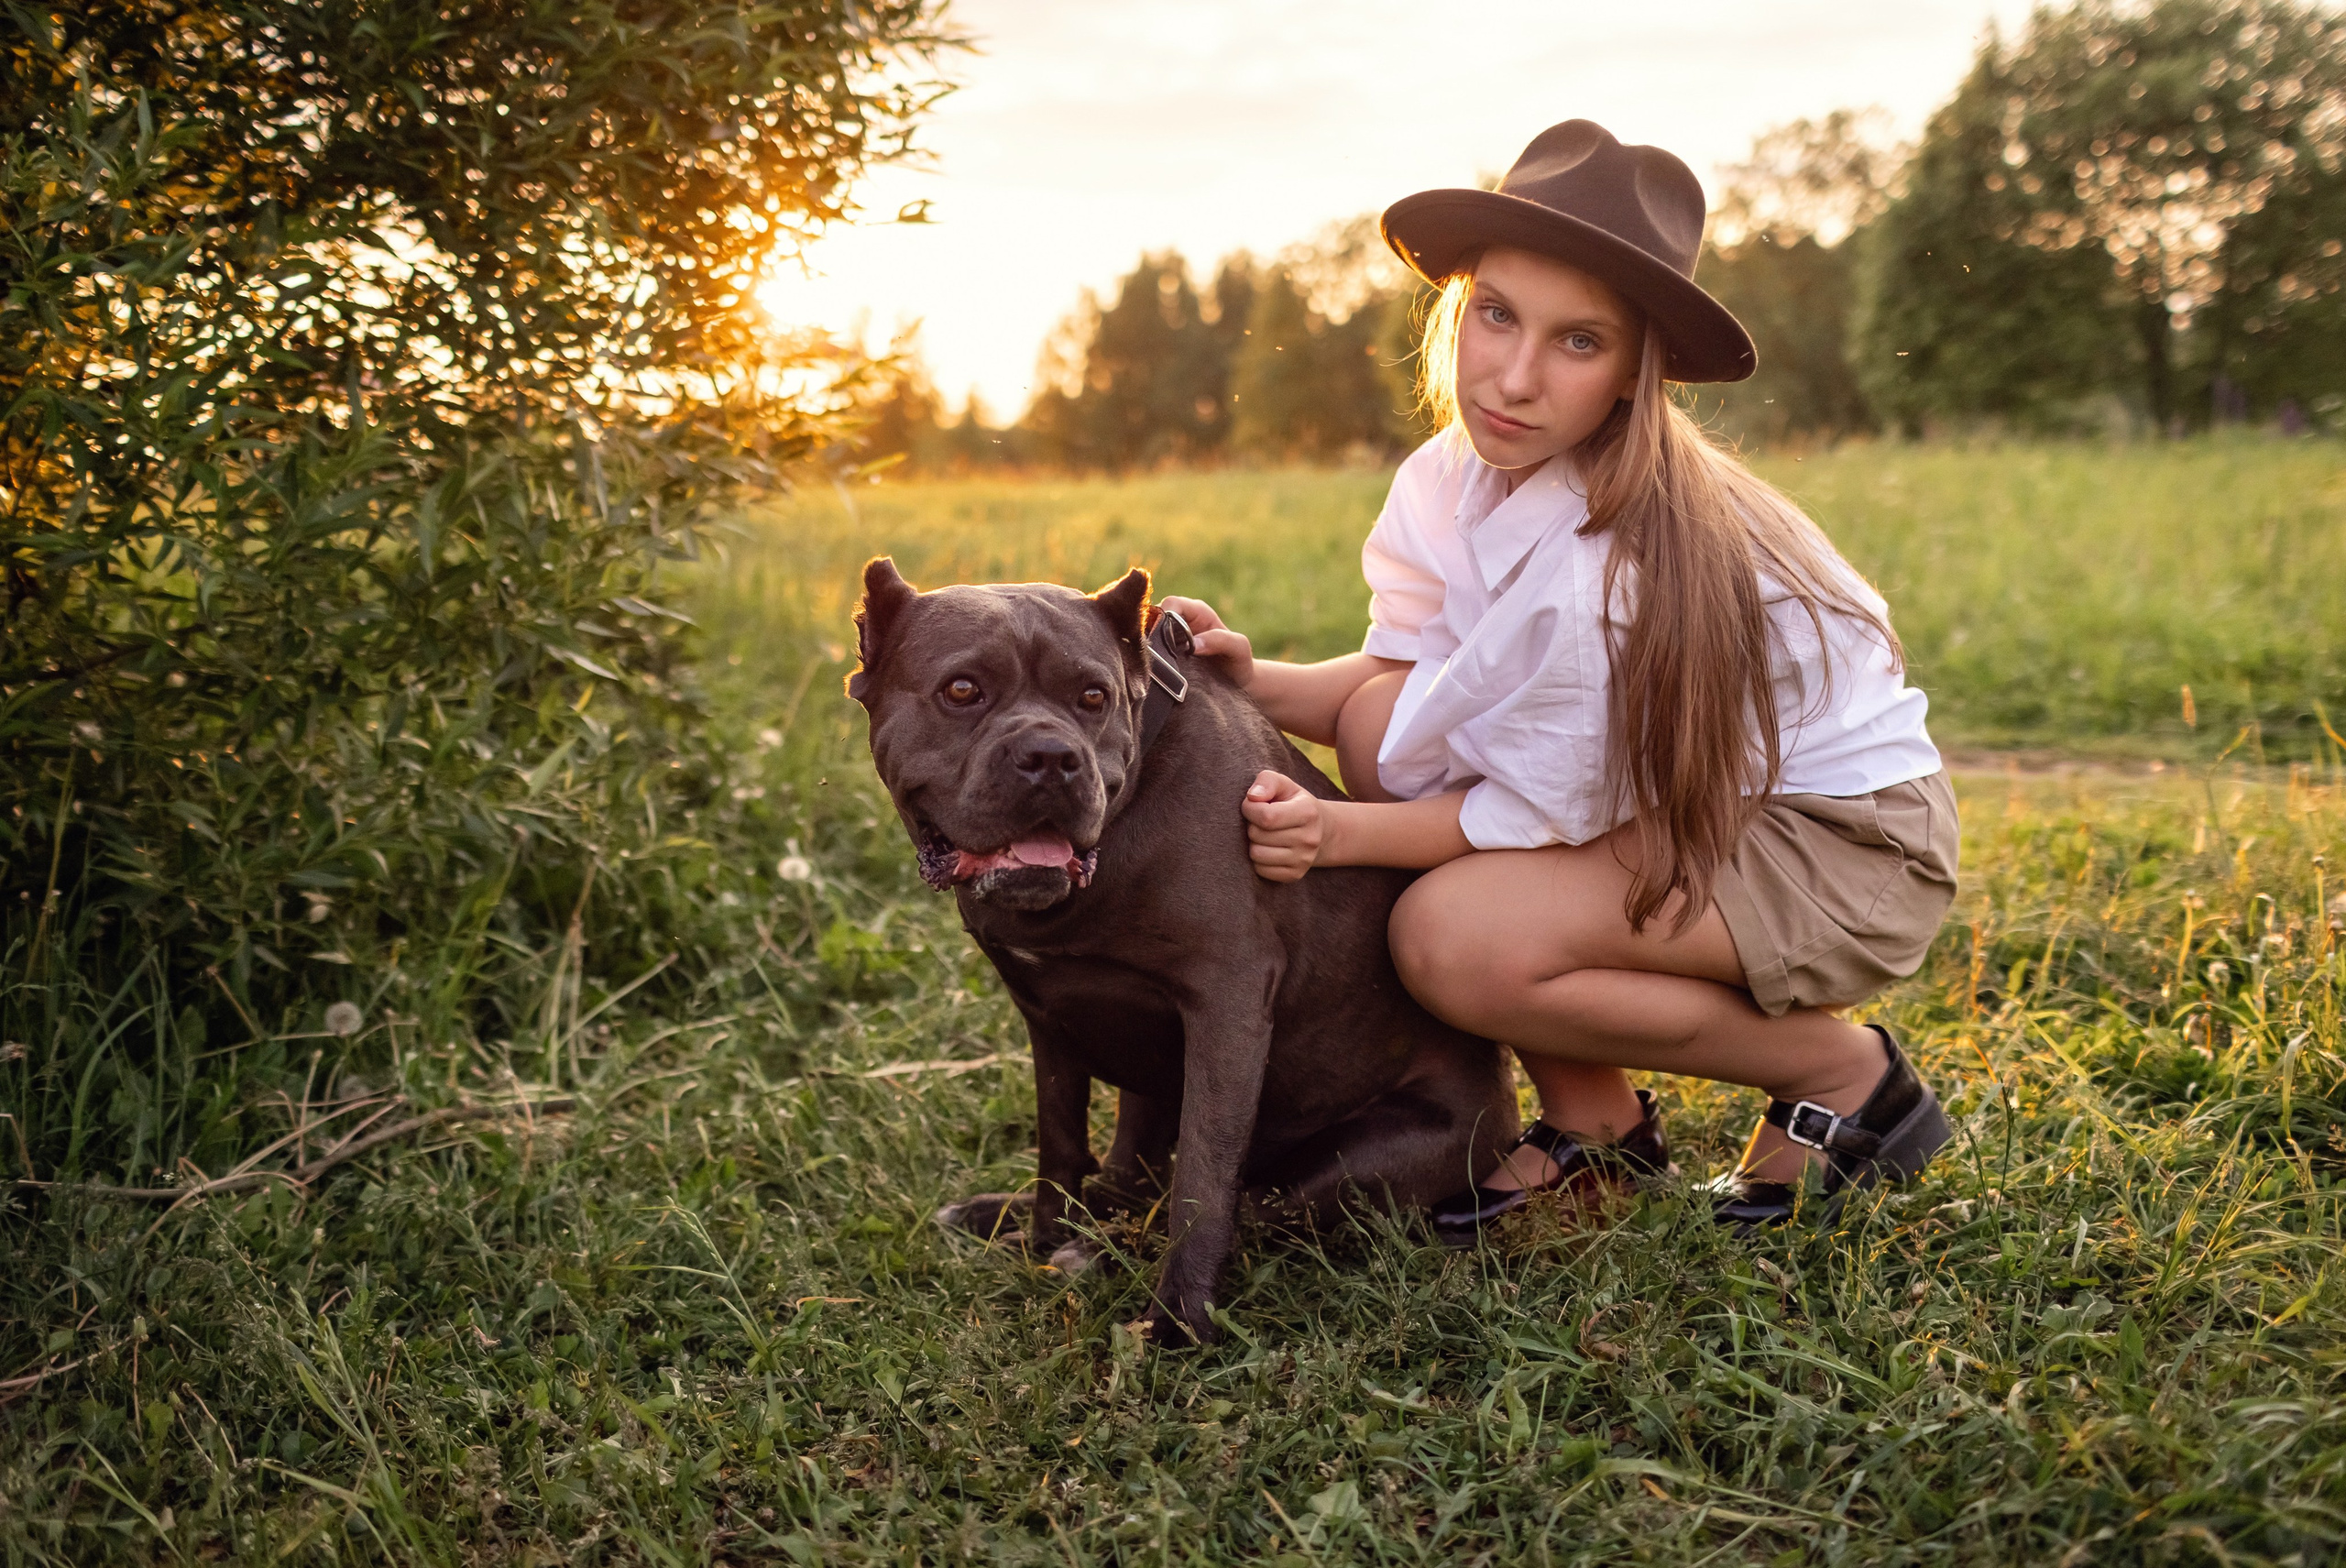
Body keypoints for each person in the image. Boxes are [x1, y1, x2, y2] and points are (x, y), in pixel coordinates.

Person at [1159, 120, 1958, 1236]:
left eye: (1577, 341)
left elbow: (1527, 817)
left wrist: (1334, 834)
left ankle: (1842, 1076)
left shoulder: (1607, 568)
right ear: (1457, 307)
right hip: (1692, 799)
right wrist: (1249, 679)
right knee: (1387, 731)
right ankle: (1598, 1130)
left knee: (1454, 939)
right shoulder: (1451, 474)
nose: (1514, 377)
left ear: (1635, 373)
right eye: (1496, 314)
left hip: (1840, 841)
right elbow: (1403, 669)